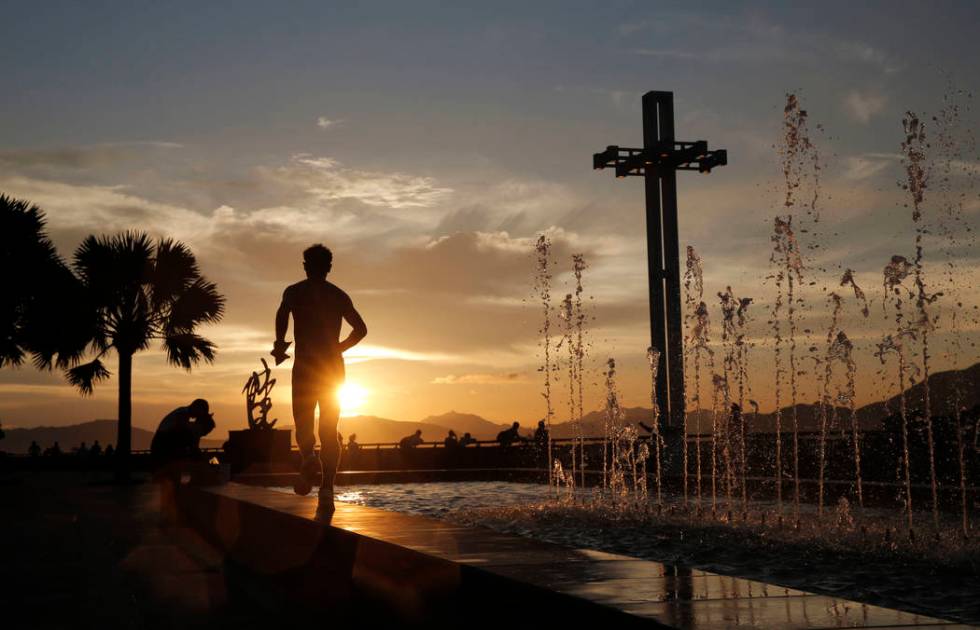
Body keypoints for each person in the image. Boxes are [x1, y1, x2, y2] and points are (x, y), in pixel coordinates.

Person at [273, 244, 367, 514]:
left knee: (303, 422)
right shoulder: (338, 296)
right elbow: (361, 329)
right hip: (331, 367)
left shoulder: (294, 292)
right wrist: (339, 348)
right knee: (329, 429)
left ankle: (308, 458)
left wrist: (280, 343)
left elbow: (282, 314)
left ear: (305, 266)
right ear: (329, 267)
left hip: (304, 365)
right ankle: (327, 489)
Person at [150, 398, 216, 462]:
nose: (198, 416)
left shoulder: (184, 415)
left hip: (162, 445)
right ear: (197, 408)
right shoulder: (183, 414)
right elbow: (190, 442)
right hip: (161, 446)